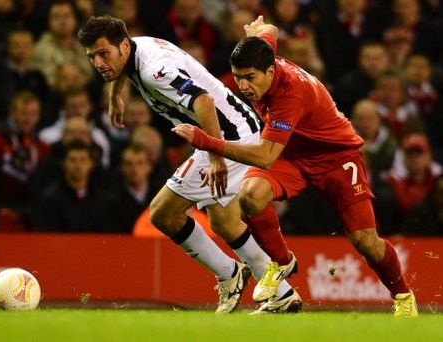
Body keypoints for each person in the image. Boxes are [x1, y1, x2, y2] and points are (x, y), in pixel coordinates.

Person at [173, 16, 417, 316]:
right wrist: (255, 32)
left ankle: (403, 296)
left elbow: (264, 157)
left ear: (271, 70)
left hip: (335, 157)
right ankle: (281, 261)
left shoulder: (291, 93)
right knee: (249, 195)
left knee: (365, 241)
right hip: (291, 153)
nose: (243, 86)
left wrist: (206, 141)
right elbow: (270, 30)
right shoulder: (264, 54)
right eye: (238, 77)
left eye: (250, 77)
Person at [77, 15, 301, 314]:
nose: (99, 63)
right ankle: (282, 294)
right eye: (92, 57)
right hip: (238, 127)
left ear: (122, 46)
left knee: (163, 214)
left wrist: (217, 158)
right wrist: (116, 93)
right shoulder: (136, 47)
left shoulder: (156, 71)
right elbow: (120, 67)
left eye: (103, 54)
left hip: (228, 137)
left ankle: (229, 275)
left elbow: (204, 101)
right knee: (223, 221)